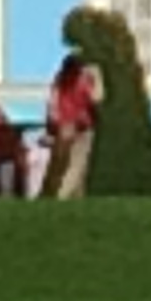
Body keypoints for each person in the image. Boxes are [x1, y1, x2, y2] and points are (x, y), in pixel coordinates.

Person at [48, 44, 105, 200]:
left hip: (64, 126)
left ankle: (79, 198)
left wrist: (55, 123)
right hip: (82, 126)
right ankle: (62, 196)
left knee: (77, 163)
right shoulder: (82, 81)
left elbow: (53, 104)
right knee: (78, 164)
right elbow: (97, 98)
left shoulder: (59, 82)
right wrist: (97, 78)